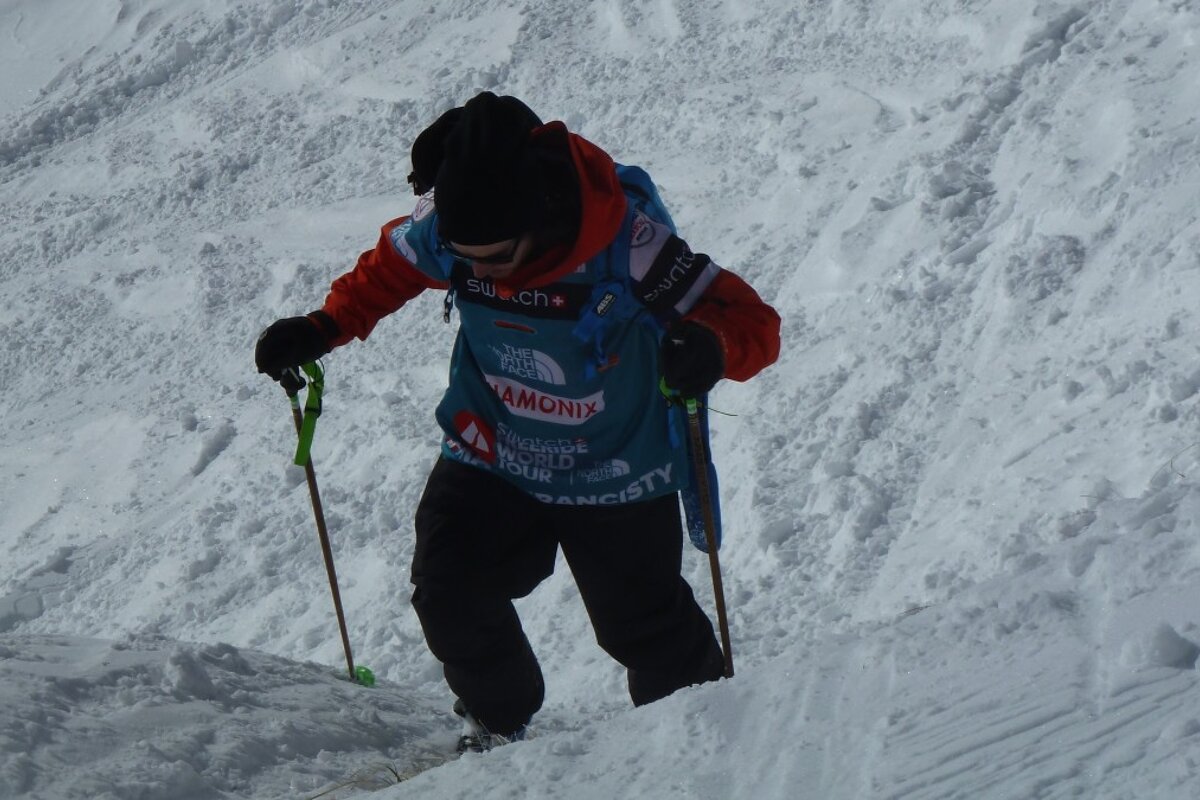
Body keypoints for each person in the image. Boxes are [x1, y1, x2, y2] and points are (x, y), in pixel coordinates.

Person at [255, 92, 780, 751]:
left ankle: (700, 736)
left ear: (540, 218)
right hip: (494, 450)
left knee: (641, 627)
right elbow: (388, 270)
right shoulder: (449, 228)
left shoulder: (628, 244)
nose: (477, 272)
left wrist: (711, 346)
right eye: (463, 257)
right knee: (447, 589)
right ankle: (497, 721)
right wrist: (323, 326)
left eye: (496, 258)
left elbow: (753, 324)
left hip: (615, 467)